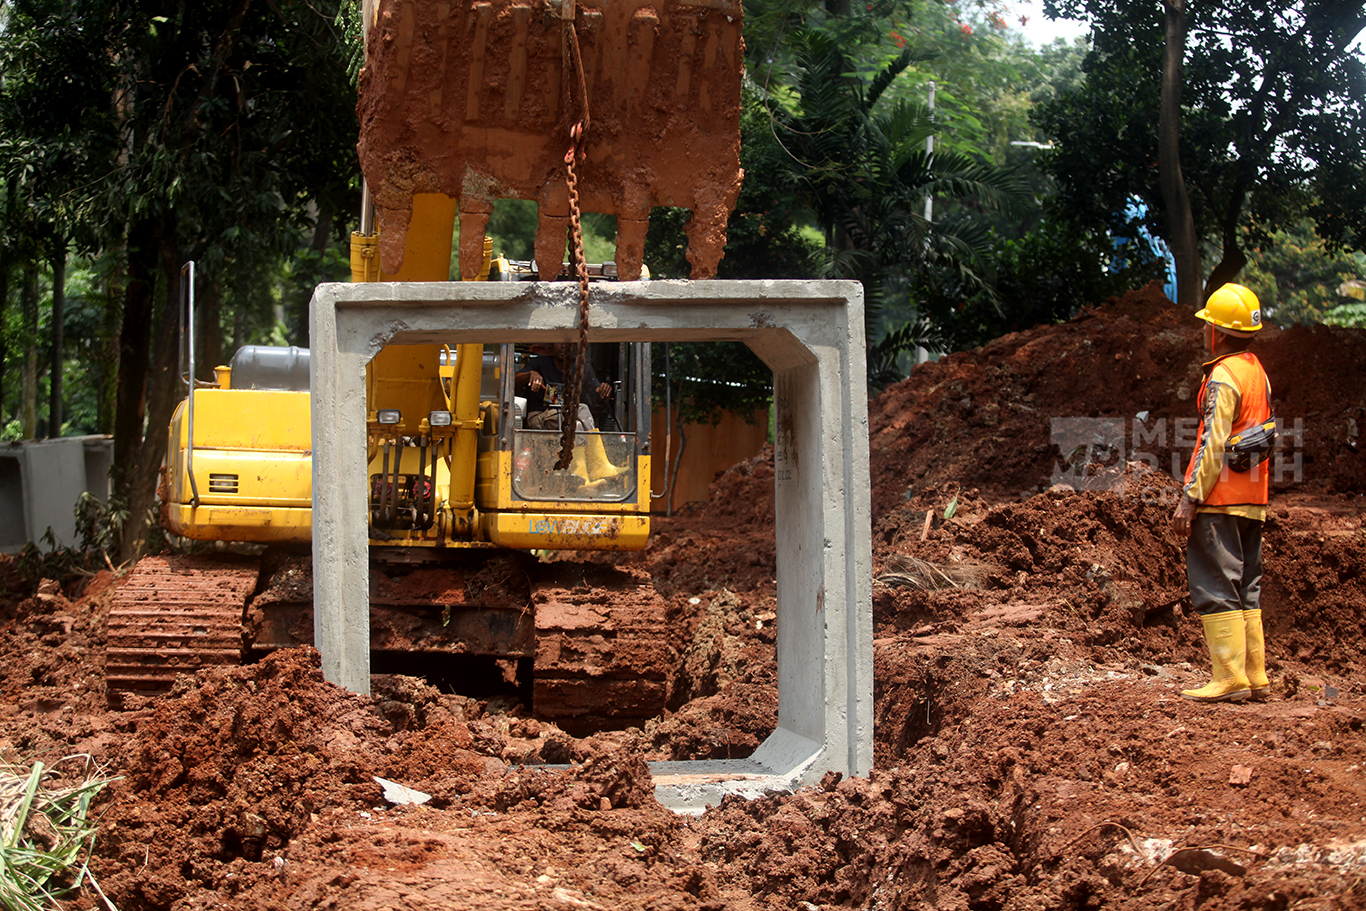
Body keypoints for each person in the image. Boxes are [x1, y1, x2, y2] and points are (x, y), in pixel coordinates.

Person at [1171, 283, 1274, 703]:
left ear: (1218, 331)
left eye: (1208, 324)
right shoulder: (1257, 371)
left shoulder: (1223, 374)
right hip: (1254, 498)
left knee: (1215, 585)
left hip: (1219, 499)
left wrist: (1190, 497)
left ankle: (1228, 677)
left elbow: (1212, 442)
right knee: (1247, 584)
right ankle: (1254, 675)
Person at [514, 343, 627, 487]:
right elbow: (514, 380)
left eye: (568, 343)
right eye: (559, 343)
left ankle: (583, 479)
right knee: (582, 409)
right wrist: (530, 374)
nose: (563, 346)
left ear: (574, 346)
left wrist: (604, 389)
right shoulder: (539, 363)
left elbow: (597, 392)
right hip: (540, 417)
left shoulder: (581, 367)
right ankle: (599, 465)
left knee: (578, 424)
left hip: (567, 420)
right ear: (552, 345)